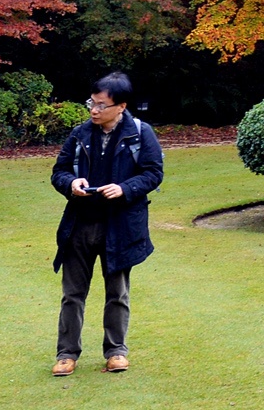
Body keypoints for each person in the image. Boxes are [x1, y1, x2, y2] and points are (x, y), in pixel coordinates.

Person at [50, 72, 164, 377]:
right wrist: (71, 183)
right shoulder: (79, 134)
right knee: (72, 294)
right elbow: (58, 172)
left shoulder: (141, 134)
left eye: (101, 105)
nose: (94, 110)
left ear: (121, 106)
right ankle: (66, 353)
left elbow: (153, 173)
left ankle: (116, 351)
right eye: (92, 103)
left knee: (117, 293)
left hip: (121, 225)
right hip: (79, 225)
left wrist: (124, 189)